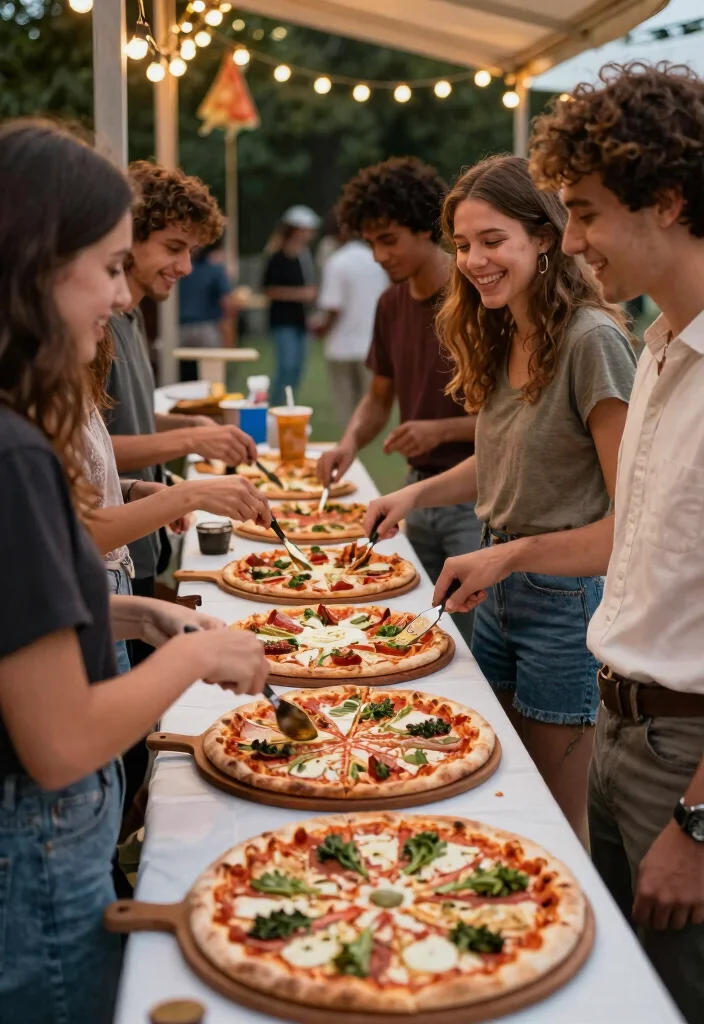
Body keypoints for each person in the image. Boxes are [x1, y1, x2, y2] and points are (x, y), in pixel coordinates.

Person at [0, 119, 269, 1024]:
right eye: (109, 268)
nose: (121, 298)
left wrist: (138, 622)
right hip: (32, 850)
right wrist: (193, 659)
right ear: (41, 262)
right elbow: (60, 741)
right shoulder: (13, 455)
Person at [364, 155, 636, 843]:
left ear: (545, 237)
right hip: (496, 591)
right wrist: (416, 495)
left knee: (546, 824)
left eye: (493, 240)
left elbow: (631, 520)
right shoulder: (505, 329)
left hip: (563, 606)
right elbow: (507, 462)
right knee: (486, 787)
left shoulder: (592, 340)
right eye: (462, 244)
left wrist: (508, 557)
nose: (474, 260)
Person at [528, 62, 704, 1022]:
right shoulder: (659, 345)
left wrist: (699, 824)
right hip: (619, 732)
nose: (571, 241)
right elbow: (633, 548)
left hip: (688, 758)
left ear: (667, 200)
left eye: (586, 212)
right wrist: (511, 555)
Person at [317, 157, 480, 645]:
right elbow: (379, 395)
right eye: (370, 242)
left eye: (388, 239)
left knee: (468, 647)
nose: (378, 255)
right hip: (416, 492)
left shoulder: (476, 296)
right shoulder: (389, 305)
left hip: (474, 498)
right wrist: (348, 444)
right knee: (410, 635)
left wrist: (440, 429)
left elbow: (518, 419)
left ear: (426, 228)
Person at [105, 161, 257, 659]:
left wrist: (190, 423)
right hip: (114, 547)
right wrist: (191, 442)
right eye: (174, 248)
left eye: (191, 250)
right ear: (128, 236)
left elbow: (126, 416)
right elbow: (99, 446)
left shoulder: (130, 313)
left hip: (139, 541)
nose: (187, 267)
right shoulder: (97, 322)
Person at [83, 332, 271, 675]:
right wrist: (188, 493)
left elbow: (83, 477)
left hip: (110, 595)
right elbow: (69, 536)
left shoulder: (81, 366)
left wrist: (128, 489)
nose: (116, 295)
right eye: (109, 274)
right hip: (82, 599)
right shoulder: (28, 411)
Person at [315, 219, 389, 428]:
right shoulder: (377, 260)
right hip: (371, 343)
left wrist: (322, 329)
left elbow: (333, 306)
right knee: (368, 399)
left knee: (345, 402)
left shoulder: (337, 262)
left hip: (341, 345)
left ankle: (351, 440)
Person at [262, 205, 319, 407]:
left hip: (301, 321)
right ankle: (275, 408)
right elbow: (268, 290)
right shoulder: (276, 255)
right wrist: (300, 294)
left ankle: (289, 407)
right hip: (283, 321)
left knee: (297, 370)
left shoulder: (304, 256)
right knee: (285, 367)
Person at [178, 240, 237, 381]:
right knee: (212, 381)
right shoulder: (215, 270)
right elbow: (228, 302)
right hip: (207, 330)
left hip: (181, 330)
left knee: (185, 380)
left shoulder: (183, 272)